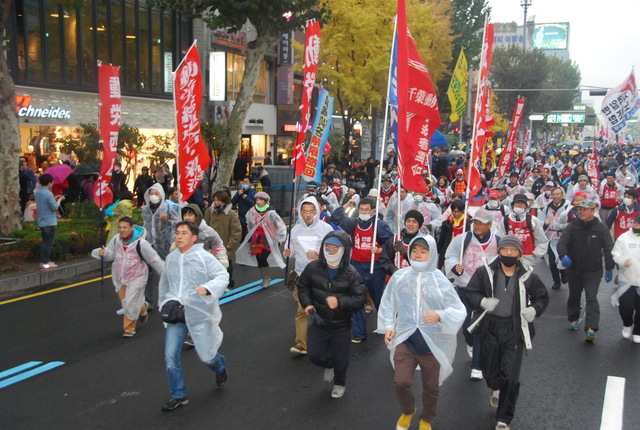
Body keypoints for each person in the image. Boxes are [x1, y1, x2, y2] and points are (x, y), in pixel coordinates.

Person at [378, 235, 466, 430]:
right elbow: (388, 302)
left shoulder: (439, 280)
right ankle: (408, 410)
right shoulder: (400, 276)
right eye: (415, 251)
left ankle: (426, 418)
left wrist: (439, 315)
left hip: (431, 344)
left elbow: (458, 309)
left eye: (423, 251)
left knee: (431, 388)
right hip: (405, 340)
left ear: (431, 254)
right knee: (401, 382)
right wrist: (389, 326)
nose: (417, 255)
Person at [465, 235, 549, 430]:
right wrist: (482, 302)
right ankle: (495, 387)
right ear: (499, 251)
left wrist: (535, 309)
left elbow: (542, 297)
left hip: (514, 330)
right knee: (491, 372)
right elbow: (471, 292)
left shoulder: (528, 276)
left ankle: (503, 418)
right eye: (505, 250)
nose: (509, 253)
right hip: (489, 328)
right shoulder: (485, 272)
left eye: (513, 250)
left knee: (510, 376)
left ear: (519, 254)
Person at [159, 221, 229, 411]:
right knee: (170, 356)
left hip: (199, 313)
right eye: (177, 233)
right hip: (176, 314)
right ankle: (178, 395)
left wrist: (207, 288)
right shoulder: (171, 258)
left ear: (194, 237)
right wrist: (164, 303)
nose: (179, 236)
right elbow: (164, 284)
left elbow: (222, 276)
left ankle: (220, 367)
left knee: (207, 356)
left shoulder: (203, 257)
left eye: (184, 233)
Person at [297, 231, 366, 399]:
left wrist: (340, 302)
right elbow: (303, 286)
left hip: (341, 326)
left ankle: (339, 383)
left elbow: (359, 299)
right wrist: (307, 305)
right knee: (314, 355)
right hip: (319, 322)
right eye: (327, 247)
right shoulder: (313, 267)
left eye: (334, 248)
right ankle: (329, 365)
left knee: (341, 360)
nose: (330, 251)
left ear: (343, 251)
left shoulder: (352, 274)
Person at [444, 209, 500, 381]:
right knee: (467, 323)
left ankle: (477, 366)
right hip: (465, 287)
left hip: (486, 290)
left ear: (490, 225)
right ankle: (469, 340)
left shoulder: (498, 241)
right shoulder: (462, 239)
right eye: (475, 222)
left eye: (481, 223)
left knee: (478, 327)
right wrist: (455, 267)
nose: (477, 225)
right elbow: (450, 256)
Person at [331, 197, 393, 343]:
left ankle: (387, 325)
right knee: (357, 299)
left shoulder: (379, 225)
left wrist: (379, 249)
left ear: (373, 211)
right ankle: (359, 332)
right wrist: (346, 204)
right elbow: (335, 218)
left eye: (367, 210)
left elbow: (391, 243)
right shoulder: (354, 223)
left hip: (375, 268)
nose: (364, 212)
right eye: (361, 209)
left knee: (379, 299)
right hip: (357, 266)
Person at [92, 217, 164, 337]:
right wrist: (104, 253)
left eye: (125, 227)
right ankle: (142, 307)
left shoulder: (141, 243)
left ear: (131, 228)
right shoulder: (116, 240)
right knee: (127, 302)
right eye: (120, 227)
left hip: (138, 276)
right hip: (120, 277)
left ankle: (129, 328)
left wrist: (166, 274)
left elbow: (154, 260)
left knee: (129, 302)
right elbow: (111, 255)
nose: (122, 230)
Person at [557, 199, 614, 341]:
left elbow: (608, 248)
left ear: (592, 211)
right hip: (574, 269)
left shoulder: (601, 228)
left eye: (584, 209)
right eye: (579, 209)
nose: (581, 212)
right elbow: (561, 243)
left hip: (593, 271)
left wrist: (609, 267)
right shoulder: (572, 226)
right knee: (574, 295)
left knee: (591, 297)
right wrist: (563, 255)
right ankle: (573, 318)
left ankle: (591, 328)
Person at [283, 197, 334, 355]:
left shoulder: (326, 229)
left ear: (317, 211)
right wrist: (288, 253)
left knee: (324, 309)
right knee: (302, 310)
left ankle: (329, 338)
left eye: (311, 211)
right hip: (301, 276)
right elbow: (289, 251)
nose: (308, 215)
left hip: (321, 276)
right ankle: (301, 344)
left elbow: (335, 252)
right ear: (300, 212)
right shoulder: (295, 230)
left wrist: (319, 255)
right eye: (304, 212)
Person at [235, 191, 287, 288]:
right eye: (257, 200)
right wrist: (250, 234)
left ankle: (266, 278)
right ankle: (264, 277)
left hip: (268, 238)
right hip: (257, 237)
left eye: (261, 200)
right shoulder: (252, 211)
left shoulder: (271, 212)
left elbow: (280, 225)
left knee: (263, 258)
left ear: (265, 201)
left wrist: (281, 238)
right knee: (258, 258)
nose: (258, 202)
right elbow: (249, 223)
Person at [142, 183, 180, 305]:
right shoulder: (146, 210)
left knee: (166, 271)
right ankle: (148, 301)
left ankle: (170, 297)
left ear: (161, 195)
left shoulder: (167, 207)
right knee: (147, 272)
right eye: (151, 193)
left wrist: (167, 220)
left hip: (164, 244)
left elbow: (178, 222)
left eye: (156, 193)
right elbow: (145, 225)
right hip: (149, 244)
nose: (153, 196)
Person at [498, 194, 548, 270]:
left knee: (525, 280)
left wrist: (536, 253)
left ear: (526, 205)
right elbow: (499, 238)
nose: (519, 205)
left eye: (522, 203)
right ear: (513, 204)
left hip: (528, 258)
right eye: (517, 203)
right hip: (509, 256)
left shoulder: (532, 220)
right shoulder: (505, 220)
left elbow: (542, 240)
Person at [611, 213, 640, 343]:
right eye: (634, 223)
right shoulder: (624, 238)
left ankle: (638, 331)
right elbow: (615, 253)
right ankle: (627, 324)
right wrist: (622, 261)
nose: (635, 225)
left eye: (638, 224)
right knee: (626, 307)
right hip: (627, 278)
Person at [204, 191, 242, 289]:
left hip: (226, 244)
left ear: (224, 201)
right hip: (212, 244)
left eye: (218, 200)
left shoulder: (231, 213)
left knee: (226, 265)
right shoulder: (209, 211)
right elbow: (205, 226)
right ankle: (215, 283)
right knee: (212, 265)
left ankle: (228, 283)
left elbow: (236, 230)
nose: (216, 202)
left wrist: (231, 244)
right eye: (215, 200)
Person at [538, 187, 570, 290]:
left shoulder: (567, 207)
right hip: (550, 238)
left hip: (563, 238)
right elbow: (540, 222)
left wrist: (562, 226)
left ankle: (564, 273)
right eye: (554, 194)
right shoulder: (547, 208)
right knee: (552, 262)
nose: (556, 196)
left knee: (561, 258)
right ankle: (556, 281)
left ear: (562, 195)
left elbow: (571, 222)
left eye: (558, 194)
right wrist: (545, 224)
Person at [380, 210, 426, 276]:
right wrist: (393, 269)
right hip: (396, 279)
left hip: (415, 279)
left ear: (419, 225)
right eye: (408, 221)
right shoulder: (395, 239)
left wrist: (405, 253)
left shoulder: (423, 242)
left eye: (414, 222)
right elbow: (384, 259)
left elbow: (423, 264)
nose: (410, 224)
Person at [35, 174, 65, 269]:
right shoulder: (48, 193)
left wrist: (54, 199)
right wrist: (59, 199)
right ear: (49, 182)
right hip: (50, 221)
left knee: (45, 242)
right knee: (48, 243)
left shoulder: (38, 192)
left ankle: (43, 261)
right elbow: (54, 207)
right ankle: (46, 262)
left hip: (42, 220)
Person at [231, 176, 256, 241]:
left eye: (246, 182)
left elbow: (254, 204)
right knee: (241, 237)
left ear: (250, 184)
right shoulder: (240, 192)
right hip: (241, 217)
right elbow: (232, 203)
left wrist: (246, 198)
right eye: (243, 182)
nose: (244, 184)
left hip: (250, 218)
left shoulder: (253, 193)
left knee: (248, 238)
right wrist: (238, 195)